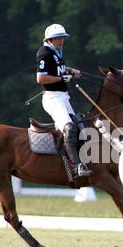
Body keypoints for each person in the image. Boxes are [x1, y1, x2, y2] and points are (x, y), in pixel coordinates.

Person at [36, 23, 92, 177]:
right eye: (57, 38)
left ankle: (78, 160)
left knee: (80, 124)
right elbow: (40, 78)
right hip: (53, 98)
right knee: (69, 129)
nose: (61, 41)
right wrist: (61, 77)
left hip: (63, 97)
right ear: (49, 40)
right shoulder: (44, 53)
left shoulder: (57, 52)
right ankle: (76, 167)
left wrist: (70, 71)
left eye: (62, 38)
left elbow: (57, 70)